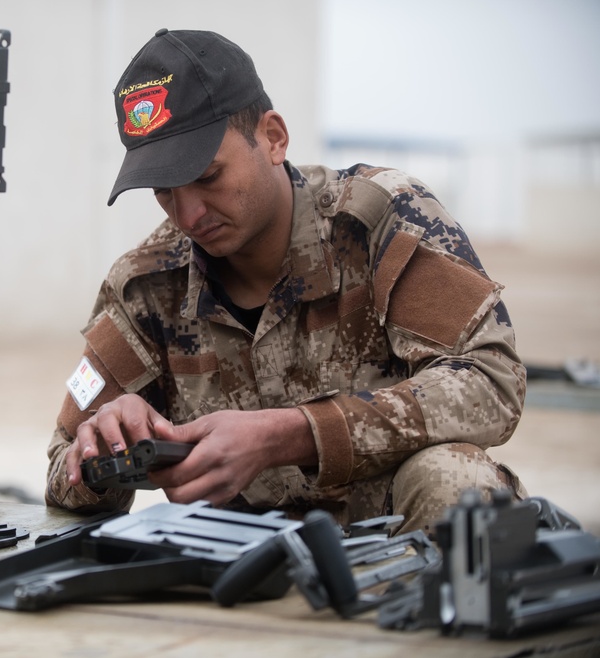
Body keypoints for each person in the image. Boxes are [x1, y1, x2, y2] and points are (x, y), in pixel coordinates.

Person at [45, 29, 526, 535]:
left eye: (208, 176)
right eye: (164, 191)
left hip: (394, 549)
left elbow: (490, 381)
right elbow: (60, 467)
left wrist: (288, 434)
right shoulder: (145, 284)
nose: (187, 213)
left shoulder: (378, 220)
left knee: (456, 479)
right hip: (243, 576)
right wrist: (103, 449)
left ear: (273, 138)